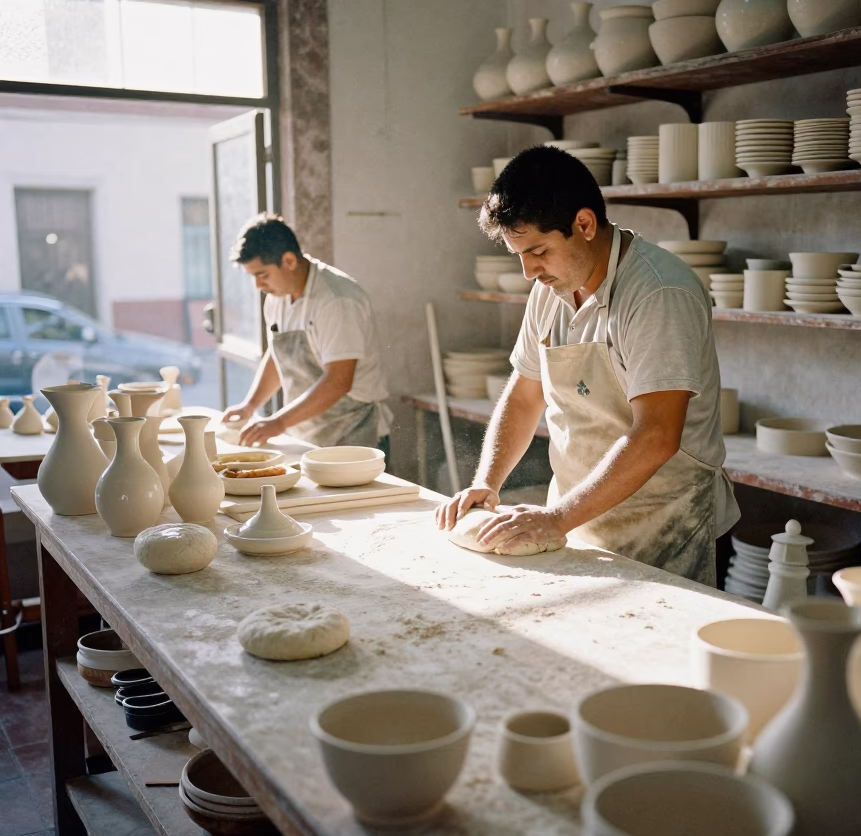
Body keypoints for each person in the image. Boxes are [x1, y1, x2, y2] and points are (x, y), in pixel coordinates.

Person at [435, 146, 739, 586]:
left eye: (538, 250)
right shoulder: (550, 290)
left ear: (584, 224)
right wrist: (487, 482)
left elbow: (656, 435)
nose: (528, 271)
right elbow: (524, 397)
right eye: (519, 255)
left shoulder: (658, 294)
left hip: (667, 527)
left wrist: (557, 518)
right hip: (580, 519)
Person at [222, 213, 392, 454]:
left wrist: (279, 422)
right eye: (253, 277)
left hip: (355, 433)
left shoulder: (336, 300)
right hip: (307, 434)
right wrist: (250, 406)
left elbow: (338, 381)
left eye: (263, 275)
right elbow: (280, 355)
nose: (258, 286)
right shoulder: (277, 299)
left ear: (289, 261)